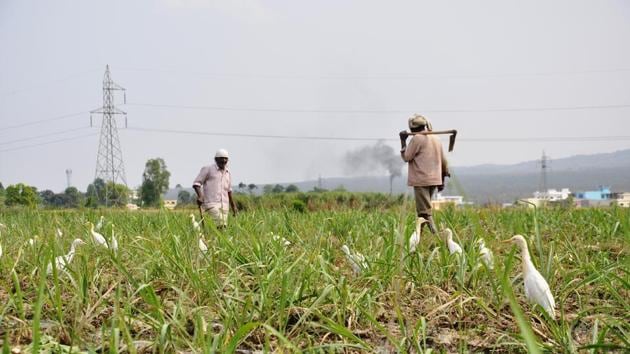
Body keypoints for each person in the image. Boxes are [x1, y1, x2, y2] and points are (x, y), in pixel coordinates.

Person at [399, 114, 449, 234]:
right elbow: (443, 160)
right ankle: (418, 236)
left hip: (421, 179)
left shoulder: (417, 139)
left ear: (412, 128)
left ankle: (436, 235)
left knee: (424, 211)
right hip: (434, 179)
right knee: (423, 209)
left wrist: (403, 141)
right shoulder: (436, 138)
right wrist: (443, 178)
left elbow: (406, 157)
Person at [193, 149, 237, 228]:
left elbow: (229, 191)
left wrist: (233, 207)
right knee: (220, 225)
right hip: (211, 204)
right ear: (216, 159)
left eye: (225, 158)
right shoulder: (208, 169)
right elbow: (196, 184)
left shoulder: (228, 173)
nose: (223, 160)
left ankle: (214, 239)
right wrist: (200, 196)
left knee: (222, 227)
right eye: (221, 158)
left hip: (225, 205)